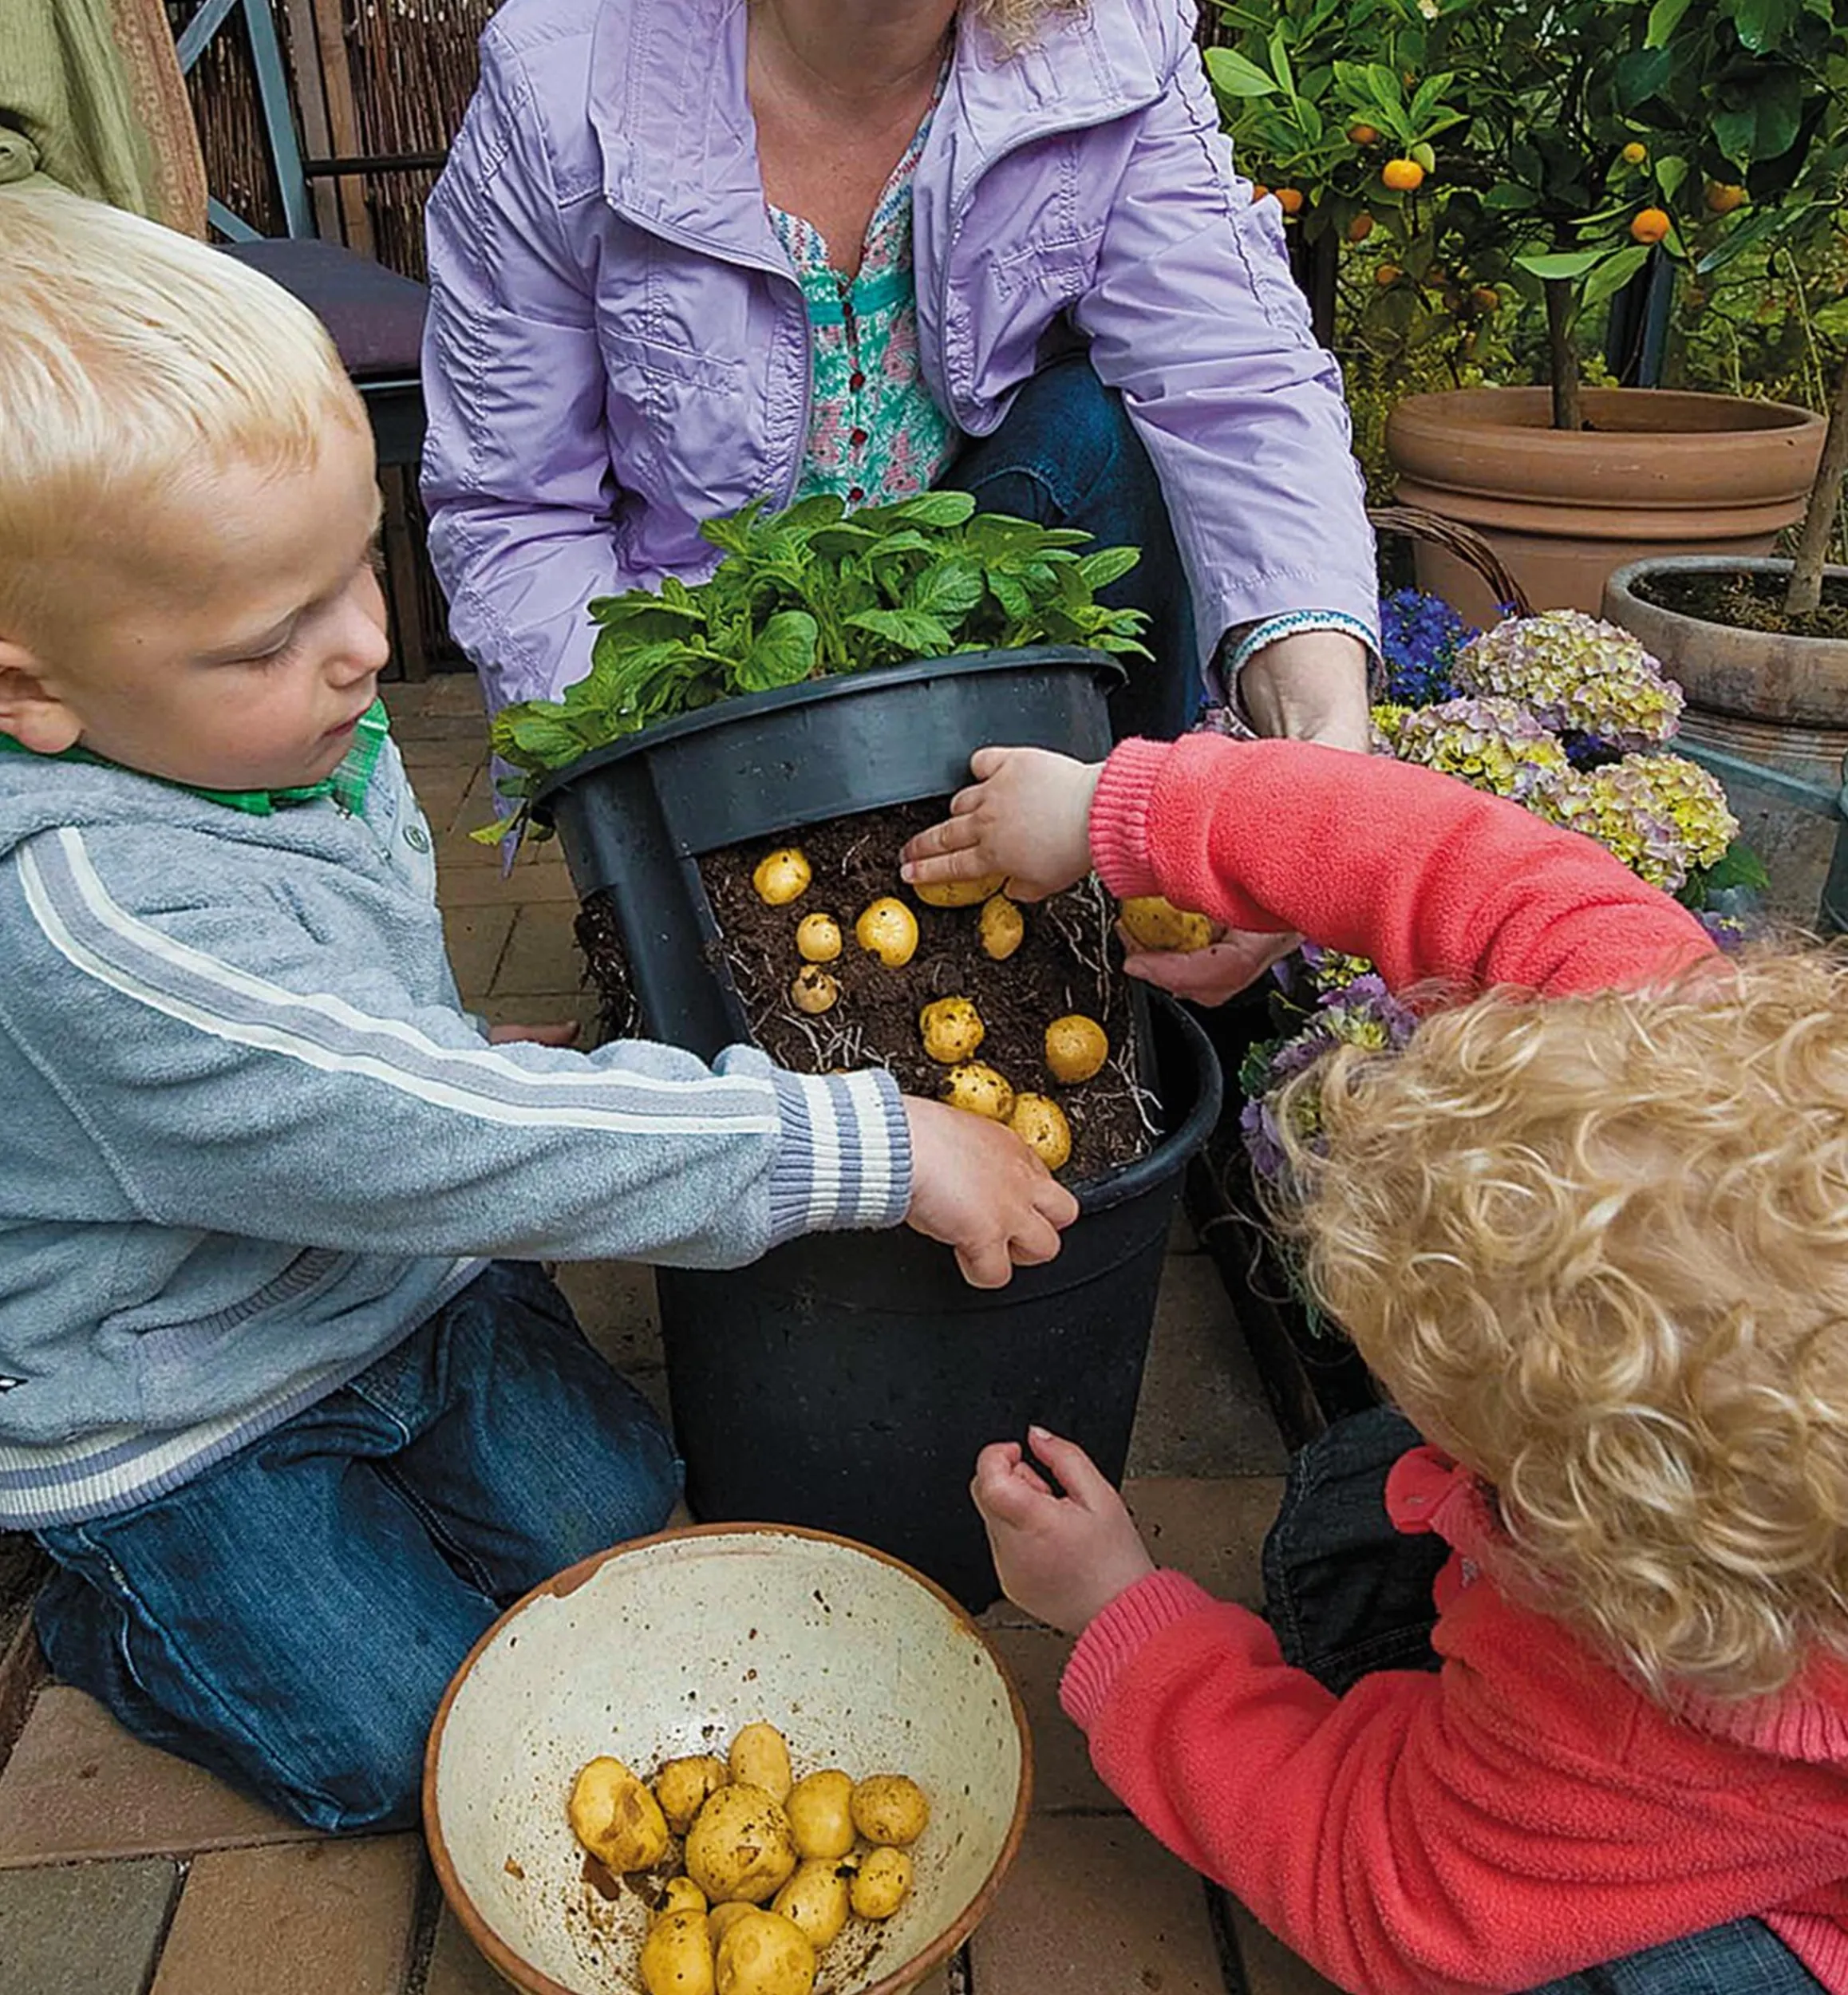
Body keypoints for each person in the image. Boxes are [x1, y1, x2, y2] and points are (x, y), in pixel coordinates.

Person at [0, 184, 1076, 1835]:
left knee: (626, 1511)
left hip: (392, 1278)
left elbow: (352, 1070)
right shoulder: (85, 915)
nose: (368, 648)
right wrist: (852, 1140)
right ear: (30, 689)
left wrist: (435, 1050)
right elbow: (392, 1128)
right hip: (178, 1406)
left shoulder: (272, 743)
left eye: (358, 562)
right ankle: (105, 1596)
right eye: (274, 634)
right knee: (403, 1743)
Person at [900, 734, 1848, 1993]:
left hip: (1769, 1850)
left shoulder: (1651, 1704)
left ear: (1602, 1530)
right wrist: (1125, 814)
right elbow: (1463, 866)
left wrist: (1122, 1618)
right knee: (1356, 1501)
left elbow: (1381, 1886)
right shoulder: (1688, 1072)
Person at [420, 0, 1378, 762]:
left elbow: (1233, 379)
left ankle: (1130, 891)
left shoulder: (1104, 39)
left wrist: (1319, 736)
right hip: (710, 672)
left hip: (971, 603)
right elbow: (515, 510)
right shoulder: (563, 83)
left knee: (1102, 428)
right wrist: (663, 776)